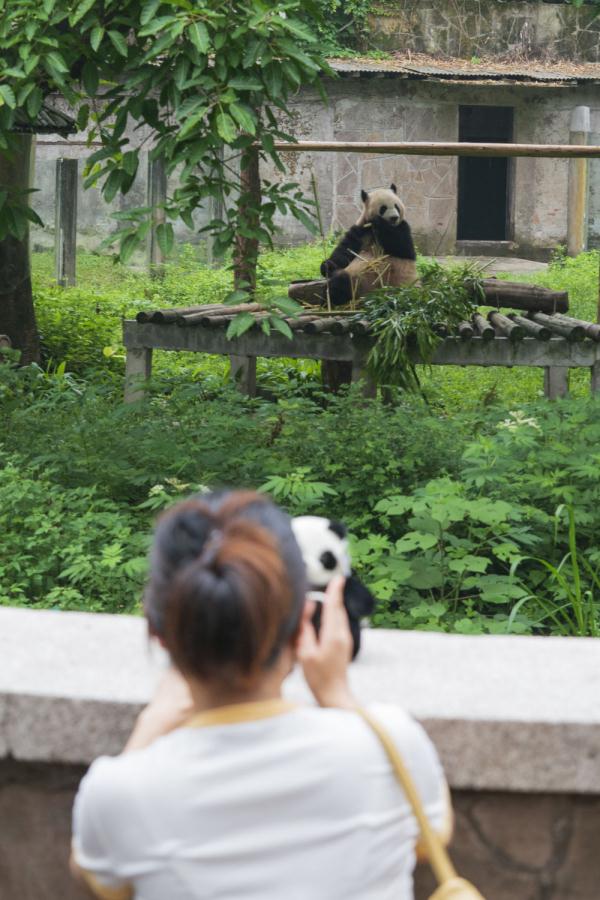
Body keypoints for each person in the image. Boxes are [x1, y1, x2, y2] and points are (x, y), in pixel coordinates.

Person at [71, 490, 451, 900]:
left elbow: (99, 876)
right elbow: (432, 837)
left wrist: (152, 724)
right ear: (302, 623)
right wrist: (338, 695)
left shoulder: (119, 790)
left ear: (159, 633)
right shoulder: (391, 743)